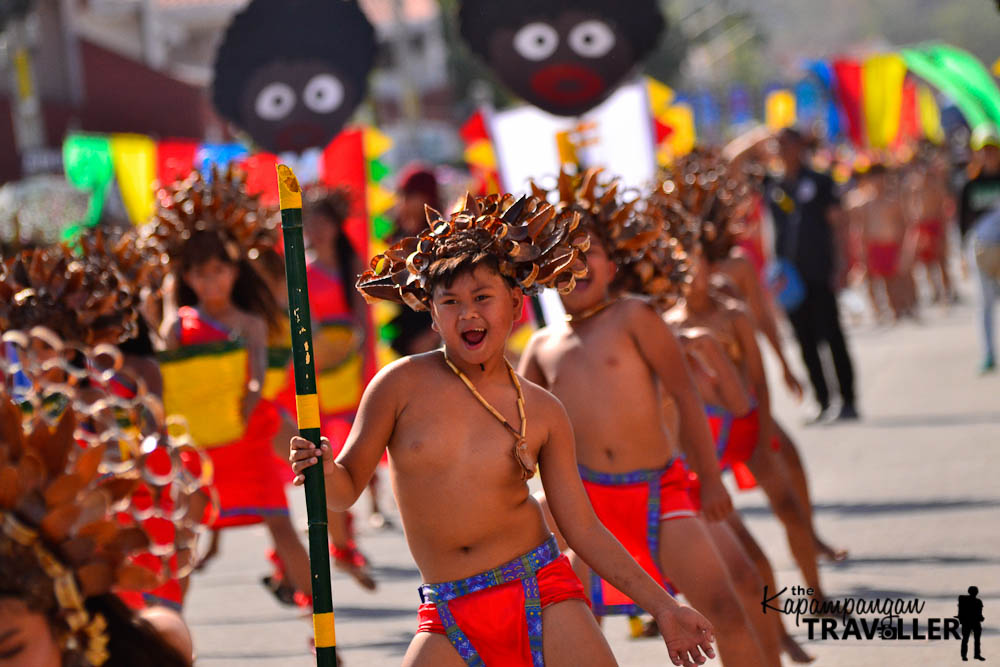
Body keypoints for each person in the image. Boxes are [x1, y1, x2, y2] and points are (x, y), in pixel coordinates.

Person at [291, 192, 716, 667]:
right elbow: (344, 491)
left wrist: (664, 607)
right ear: (431, 313)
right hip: (448, 611)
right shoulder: (397, 385)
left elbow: (582, 528)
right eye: (449, 301)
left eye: (482, 298)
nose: (467, 313)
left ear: (515, 303)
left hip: (542, 593)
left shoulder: (543, 410)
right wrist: (322, 467)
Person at [518, 173, 771, 667]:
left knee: (721, 609)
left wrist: (710, 480)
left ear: (612, 265)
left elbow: (684, 395)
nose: (576, 262)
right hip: (584, 509)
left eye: (587, 250)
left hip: (661, 493)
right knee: (571, 634)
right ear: (544, 275)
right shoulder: (540, 347)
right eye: (561, 254)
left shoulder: (635, 317)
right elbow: (519, 432)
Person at [151, 169, 314, 606]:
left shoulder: (250, 322)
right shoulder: (180, 325)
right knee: (183, 534)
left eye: (219, 271)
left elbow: (259, 373)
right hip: (200, 445)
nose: (212, 282)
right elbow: (168, 353)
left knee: (281, 525)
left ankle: (319, 622)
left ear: (234, 271)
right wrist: (169, 292)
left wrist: (250, 396)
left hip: (247, 435)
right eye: (200, 274)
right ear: (187, 278)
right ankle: (169, 632)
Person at [302, 188, 383, 582]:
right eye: (309, 223)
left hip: (352, 375)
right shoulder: (302, 270)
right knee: (325, 458)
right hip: (317, 378)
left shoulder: (354, 269)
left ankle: (348, 532)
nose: (314, 230)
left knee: (357, 448)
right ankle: (342, 542)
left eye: (321, 222)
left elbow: (363, 324)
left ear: (335, 226)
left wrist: (360, 355)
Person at [766, 128, 858, 422]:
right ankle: (822, 402)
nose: (779, 149)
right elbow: (734, 164)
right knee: (804, 341)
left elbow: (839, 225)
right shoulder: (774, 185)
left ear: (799, 145)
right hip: (790, 280)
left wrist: (842, 266)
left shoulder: (820, 180)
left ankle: (848, 401)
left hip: (820, 271)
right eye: (776, 144)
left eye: (784, 143)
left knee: (832, 335)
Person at [959, 125, 1000, 373]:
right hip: (982, 251)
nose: (988, 154)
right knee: (984, 302)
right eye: (983, 150)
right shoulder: (970, 185)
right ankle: (988, 354)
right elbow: (963, 224)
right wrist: (965, 256)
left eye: (992, 149)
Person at [957, 586, 985, 662]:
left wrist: (981, 618)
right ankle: (966, 655)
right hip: (969, 622)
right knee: (968, 640)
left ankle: (974, 655)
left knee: (973, 640)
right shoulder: (976, 601)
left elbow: (980, 613)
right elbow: (980, 613)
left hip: (973, 622)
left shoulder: (977, 601)